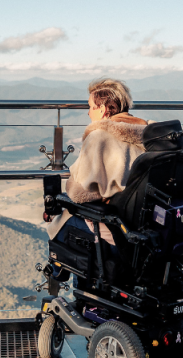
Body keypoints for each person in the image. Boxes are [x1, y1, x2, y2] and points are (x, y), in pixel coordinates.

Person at [46, 78, 148, 247]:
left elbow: (82, 195)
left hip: (113, 228)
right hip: (143, 227)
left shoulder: (98, 137)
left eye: (90, 107)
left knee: (58, 227)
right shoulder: (150, 136)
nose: (88, 113)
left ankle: (58, 273)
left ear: (103, 110)